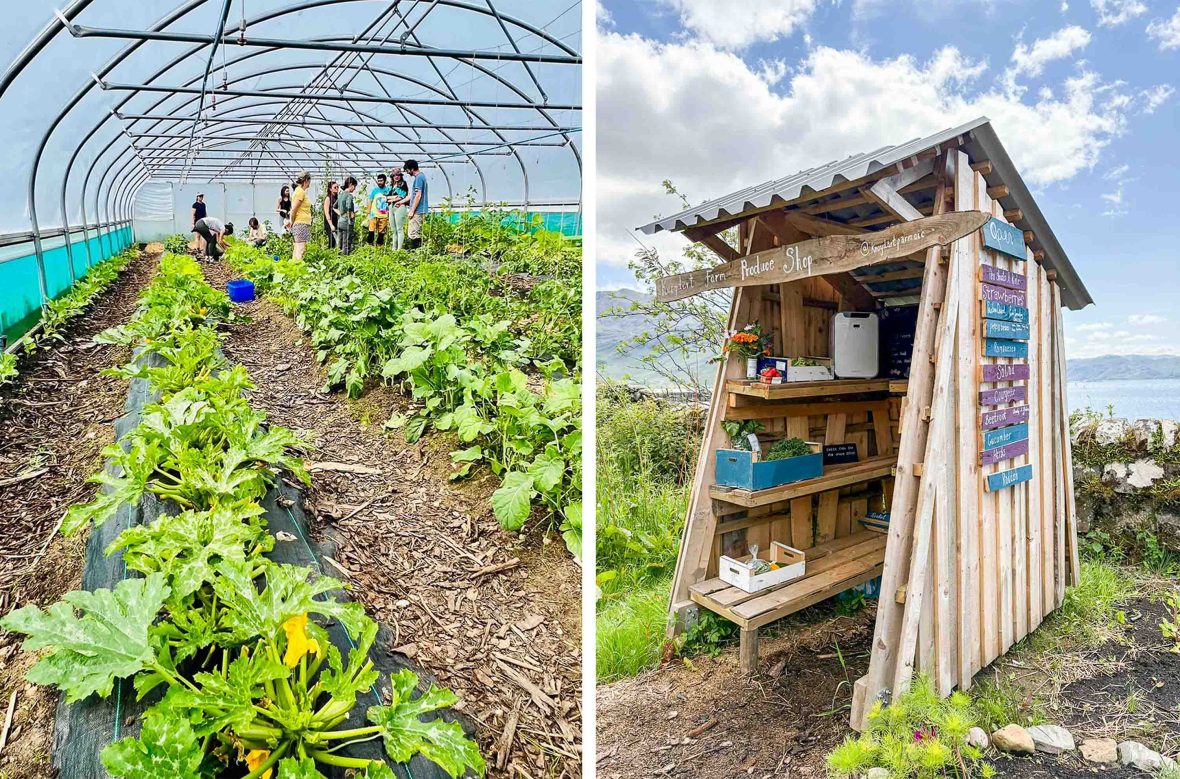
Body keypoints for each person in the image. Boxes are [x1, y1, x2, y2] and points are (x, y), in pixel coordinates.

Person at [286, 172, 314, 260]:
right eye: (309, 180)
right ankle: (297, 269)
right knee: (301, 248)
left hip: (302, 223)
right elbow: (293, 210)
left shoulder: (299, 191)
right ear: (306, 180)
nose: (310, 183)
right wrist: (291, 221)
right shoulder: (300, 192)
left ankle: (294, 268)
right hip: (301, 223)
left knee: (298, 248)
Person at [404, 159, 428, 250]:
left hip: (418, 210)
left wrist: (412, 210)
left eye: (407, 170)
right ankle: (417, 252)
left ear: (412, 168)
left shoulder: (419, 178)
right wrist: (400, 202)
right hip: (418, 209)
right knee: (414, 232)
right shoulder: (421, 177)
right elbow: (413, 195)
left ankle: (416, 252)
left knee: (413, 233)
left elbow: (418, 195)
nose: (407, 172)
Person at [365, 173, 392, 246]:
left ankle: (379, 247)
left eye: (381, 181)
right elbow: (370, 201)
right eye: (378, 181)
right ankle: (369, 247)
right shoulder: (375, 190)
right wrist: (368, 213)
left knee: (381, 233)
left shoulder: (388, 190)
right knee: (371, 232)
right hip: (374, 214)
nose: (379, 182)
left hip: (384, 215)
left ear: (385, 181)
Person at [335, 177, 358, 256]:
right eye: (354, 186)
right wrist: (350, 217)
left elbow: (334, 207)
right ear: (350, 185)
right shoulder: (349, 195)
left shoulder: (340, 195)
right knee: (346, 244)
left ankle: (337, 259)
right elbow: (348, 207)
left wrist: (341, 214)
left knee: (340, 243)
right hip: (346, 222)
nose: (354, 189)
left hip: (340, 221)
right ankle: (345, 260)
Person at [390, 170, 410, 251]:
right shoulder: (391, 185)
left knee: (399, 228)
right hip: (391, 207)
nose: (396, 177)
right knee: (393, 229)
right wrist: (393, 198)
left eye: (398, 175)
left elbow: (402, 196)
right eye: (394, 175)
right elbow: (386, 197)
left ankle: (399, 249)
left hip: (400, 206)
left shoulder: (403, 184)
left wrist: (393, 198)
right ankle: (394, 248)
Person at [323, 181, 339, 249]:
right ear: (330, 189)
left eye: (337, 187)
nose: (337, 188)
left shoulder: (337, 198)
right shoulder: (328, 198)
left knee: (336, 241)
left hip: (336, 221)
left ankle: (333, 255)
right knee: (332, 239)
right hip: (329, 222)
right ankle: (329, 254)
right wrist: (331, 225)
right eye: (335, 187)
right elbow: (326, 212)